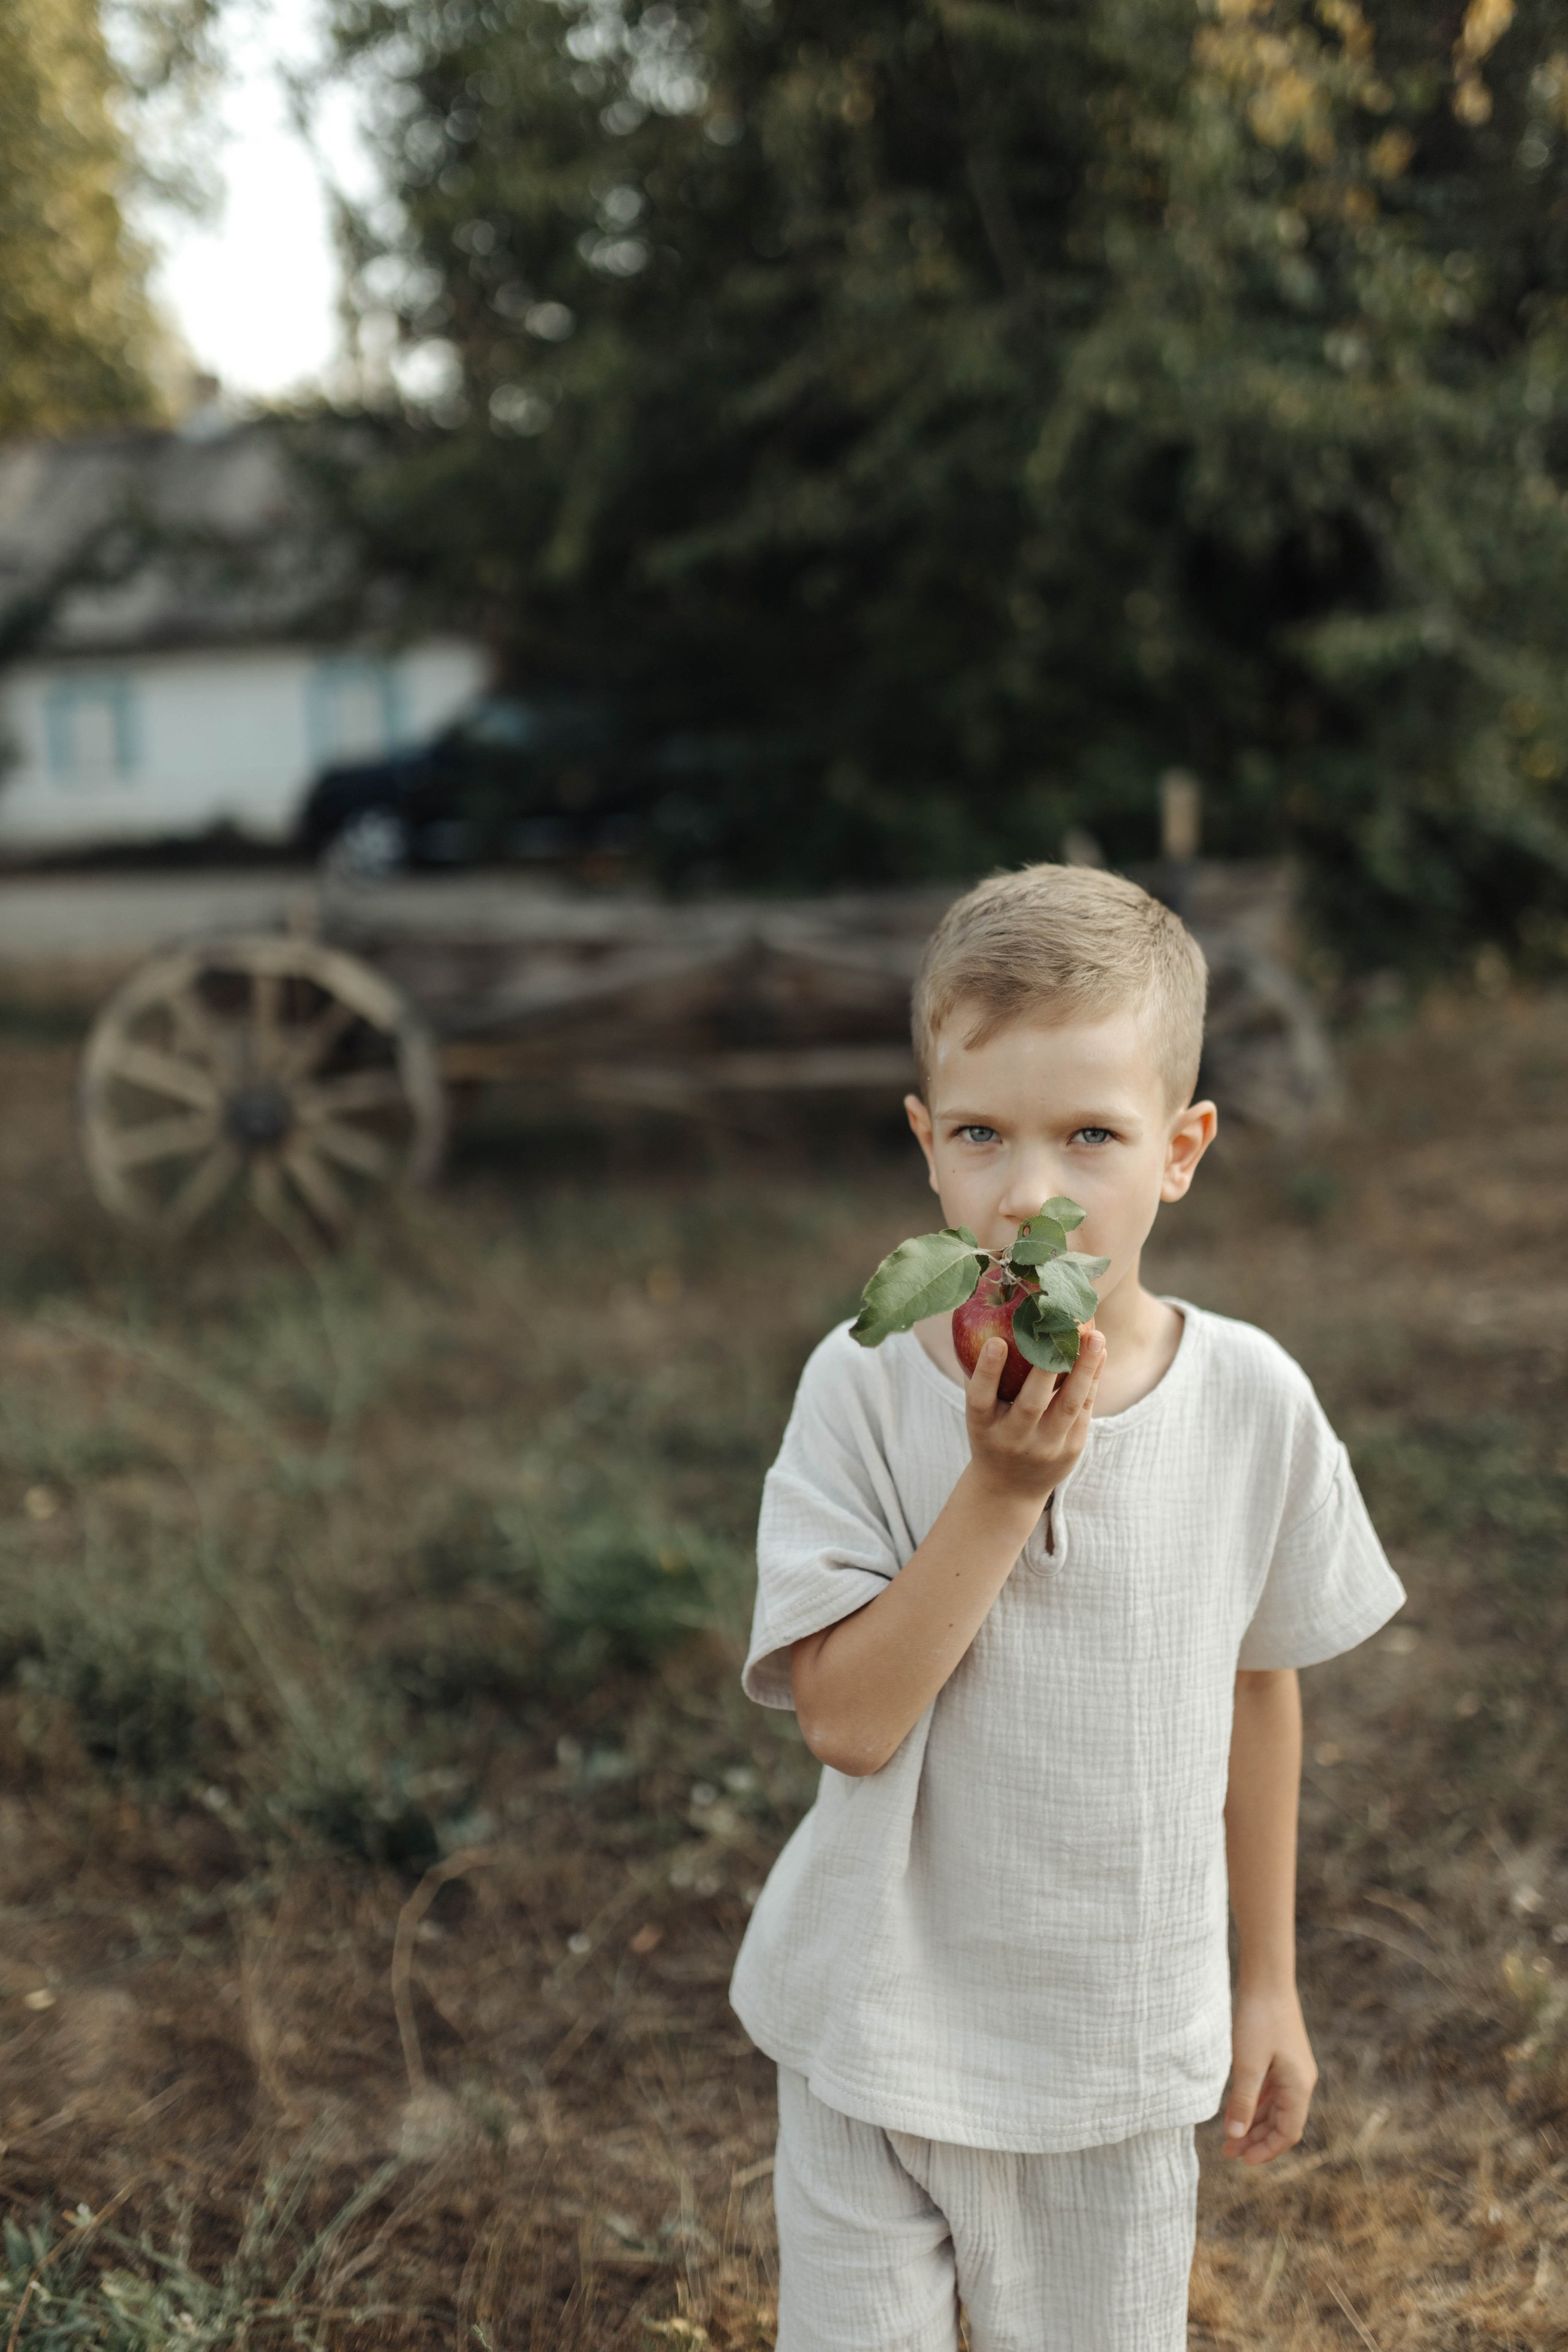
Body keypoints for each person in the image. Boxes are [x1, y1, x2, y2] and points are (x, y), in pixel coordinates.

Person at [729, 864, 1404, 2352]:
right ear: (923, 1147)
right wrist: (997, 1490)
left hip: (1107, 2052)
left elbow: (1256, 1684)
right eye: (979, 1134)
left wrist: (1267, 1984)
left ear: (1180, 1150)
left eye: (1089, 1136)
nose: (1028, 1192)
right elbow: (843, 1723)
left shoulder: (1249, 1404)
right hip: (869, 2024)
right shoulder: (863, 1380)